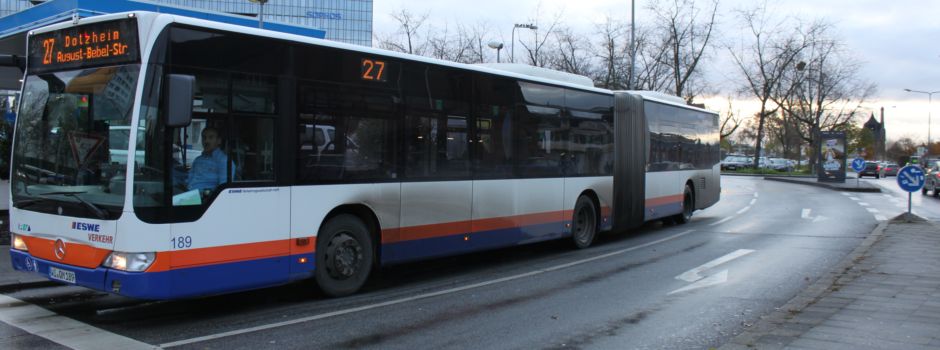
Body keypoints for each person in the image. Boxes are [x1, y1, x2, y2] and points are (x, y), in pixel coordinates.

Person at [187, 127, 232, 192]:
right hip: (190, 195)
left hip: (206, 199)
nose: (206, 141)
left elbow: (224, 189)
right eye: (204, 137)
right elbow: (189, 179)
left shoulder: (224, 161)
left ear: (219, 141)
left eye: (211, 137)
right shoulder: (198, 160)